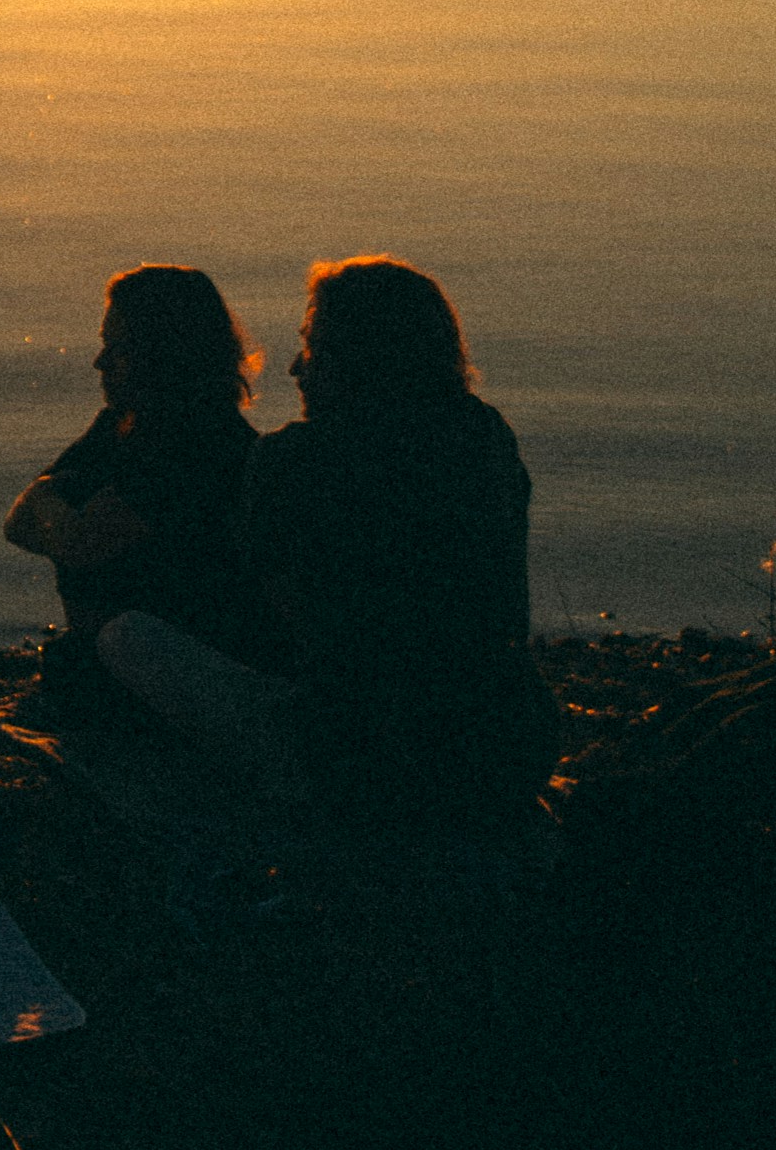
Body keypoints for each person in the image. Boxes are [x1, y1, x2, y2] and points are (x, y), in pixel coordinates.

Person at [96, 255, 552, 847]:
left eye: (310, 347)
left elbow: (293, 628)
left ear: (350, 359)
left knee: (124, 637)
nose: (292, 368)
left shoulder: (292, 462)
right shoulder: (485, 436)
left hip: (360, 765)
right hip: (513, 746)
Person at [2, 263, 292, 727]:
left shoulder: (204, 444)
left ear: (164, 352)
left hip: (189, 658)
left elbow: (83, 543)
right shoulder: (118, 428)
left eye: (116, 349)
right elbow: (18, 524)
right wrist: (55, 512)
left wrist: (51, 506)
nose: (99, 362)